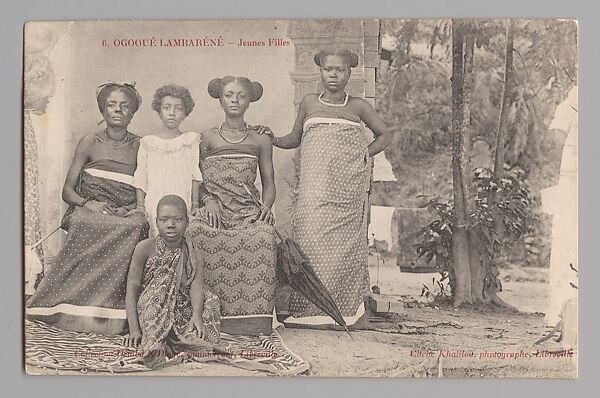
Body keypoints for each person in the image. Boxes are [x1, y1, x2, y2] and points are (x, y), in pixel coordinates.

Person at [258, 48, 392, 326]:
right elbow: (295, 137)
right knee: (310, 240)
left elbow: (385, 135)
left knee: (344, 248)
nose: (333, 74)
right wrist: (273, 138)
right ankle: (308, 312)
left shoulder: (358, 106)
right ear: (320, 71)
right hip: (314, 188)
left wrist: (363, 153)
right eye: (328, 69)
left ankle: (345, 312)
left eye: (339, 70)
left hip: (346, 190)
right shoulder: (308, 102)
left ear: (348, 73)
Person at [26, 82, 149, 335]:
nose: (117, 110)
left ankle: (114, 312)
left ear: (133, 112)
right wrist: (88, 203)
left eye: (124, 106)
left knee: (138, 225)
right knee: (86, 222)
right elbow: (68, 191)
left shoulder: (141, 145)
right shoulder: (89, 141)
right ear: (102, 110)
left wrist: (131, 208)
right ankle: (69, 306)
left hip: (124, 210)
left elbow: (145, 185)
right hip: (90, 207)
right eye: (111, 105)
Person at [186, 76, 277, 335]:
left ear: (249, 101)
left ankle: (253, 320)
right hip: (215, 211)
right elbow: (197, 178)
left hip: (247, 211)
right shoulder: (207, 137)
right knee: (194, 232)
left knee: (265, 236)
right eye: (229, 95)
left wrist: (266, 208)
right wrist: (207, 201)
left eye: (241, 95)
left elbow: (269, 183)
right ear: (220, 99)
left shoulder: (260, 139)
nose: (234, 100)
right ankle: (202, 313)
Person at [123, 195, 220, 369]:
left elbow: (197, 286)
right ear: (156, 222)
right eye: (164, 219)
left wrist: (196, 315)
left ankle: (189, 343)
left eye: (177, 219)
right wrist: (134, 329)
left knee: (211, 299)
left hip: (183, 305)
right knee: (156, 301)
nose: (170, 225)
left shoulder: (194, 252)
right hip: (154, 303)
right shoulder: (144, 248)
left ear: (187, 221)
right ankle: (157, 346)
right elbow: (131, 289)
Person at [133, 84, 202, 236]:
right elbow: (141, 176)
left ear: (185, 114)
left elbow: (194, 175)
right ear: (159, 111)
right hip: (154, 198)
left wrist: (195, 204)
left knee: (179, 236)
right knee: (157, 234)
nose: (172, 113)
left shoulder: (190, 141)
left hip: (182, 196)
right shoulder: (148, 143)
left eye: (178, 109)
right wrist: (140, 206)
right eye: (167, 107)